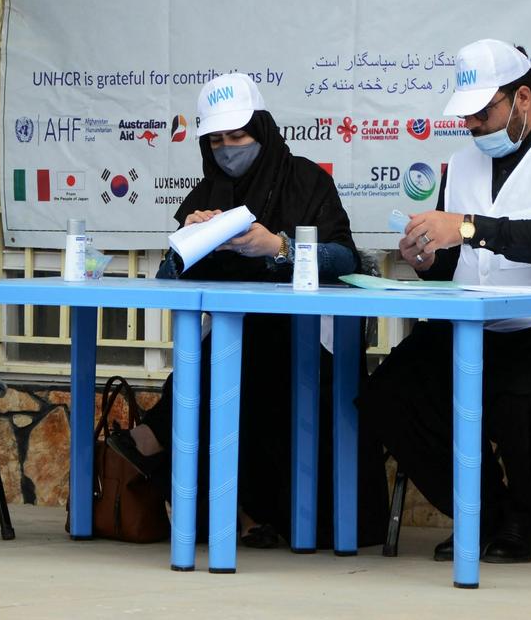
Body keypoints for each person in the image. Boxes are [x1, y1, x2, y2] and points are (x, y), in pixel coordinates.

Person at [359, 39, 531, 564]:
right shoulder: (460, 165)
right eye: (466, 118)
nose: (473, 127)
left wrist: (465, 226)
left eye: (483, 114)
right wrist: (424, 256)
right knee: (393, 391)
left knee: (524, 393)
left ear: (522, 98)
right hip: (473, 326)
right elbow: (453, 258)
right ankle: (482, 510)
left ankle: (527, 516)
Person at [107, 72, 389, 549]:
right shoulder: (207, 194)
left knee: (240, 351)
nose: (227, 148)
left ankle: (158, 439)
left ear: (262, 130)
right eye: (216, 140)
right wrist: (188, 243)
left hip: (309, 347)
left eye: (237, 136)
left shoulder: (306, 182)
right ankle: (238, 510)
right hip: (237, 344)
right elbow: (168, 281)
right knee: (223, 354)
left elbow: (344, 258)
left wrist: (278, 246)